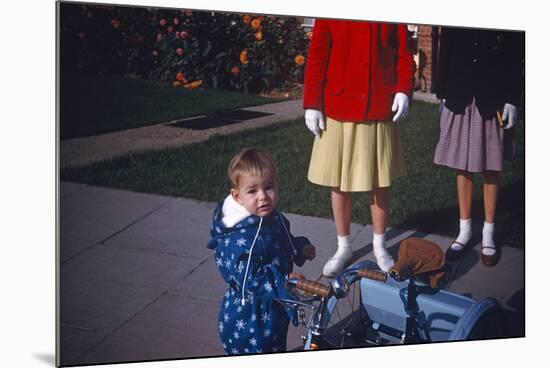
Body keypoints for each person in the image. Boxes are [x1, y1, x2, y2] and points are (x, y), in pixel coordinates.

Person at [302, 19, 416, 276]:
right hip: (339, 104)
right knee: (339, 182)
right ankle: (344, 246)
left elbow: (403, 52)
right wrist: (312, 102)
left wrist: (403, 89)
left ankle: (379, 244)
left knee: (380, 180)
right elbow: (318, 54)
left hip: (379, 104)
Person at [207, 148, 316, 355]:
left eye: (269, 187)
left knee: (274, 347)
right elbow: (249, 277)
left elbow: (281, 242)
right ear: (237, 196)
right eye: (252, 191)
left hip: (273, 308)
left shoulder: (273, 218)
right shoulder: (239, 238)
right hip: (249, 317)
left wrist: (300, 248)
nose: (263, 196)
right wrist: (284, 279)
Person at [434, 27, 524, 266]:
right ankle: (464, 230)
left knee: (491, 167)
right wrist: (442, 92)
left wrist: (513, 99)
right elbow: (446, 50)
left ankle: (488, 232)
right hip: (460, 92)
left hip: (492, 95)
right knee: (461, 166)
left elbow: (516, 54)